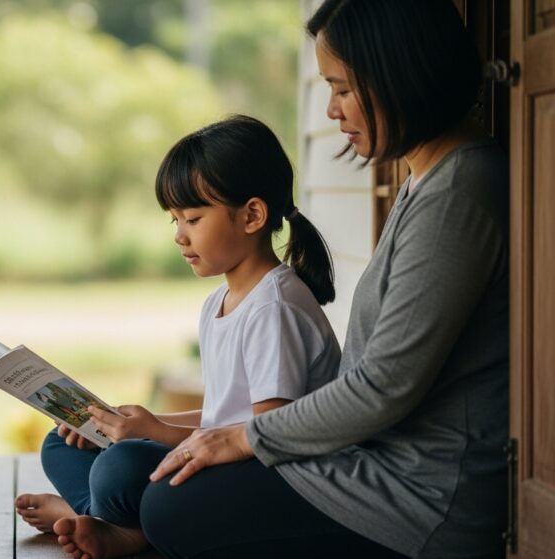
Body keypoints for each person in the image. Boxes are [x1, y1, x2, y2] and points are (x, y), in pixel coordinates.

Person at [62, 1, 508, 557]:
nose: (331, 111)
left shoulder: (460, 194)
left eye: (343, 89)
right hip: (365, 461)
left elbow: (383, 388)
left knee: (166, 502)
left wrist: (240, 438)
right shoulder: (426, 183)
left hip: (418, 497)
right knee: (131, 475)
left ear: (401, 77)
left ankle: (124, 528)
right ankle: (119, 521)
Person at [16, 115, 342, 555]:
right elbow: (222, 415)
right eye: (174, 220)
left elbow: (266, 432)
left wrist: (153, 433)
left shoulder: (275, 307)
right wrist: (137, 423)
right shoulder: (220, 303)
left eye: (192, 218)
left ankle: (116, 527)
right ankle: (101, 518)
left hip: (268, 476)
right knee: (63, 444)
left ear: (252, 215)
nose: (179, 236)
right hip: (223, 454)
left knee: (121, 467)